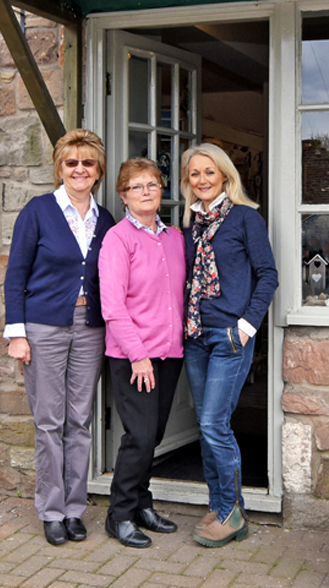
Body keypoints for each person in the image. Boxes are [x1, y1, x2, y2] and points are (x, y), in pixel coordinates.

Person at [4, 129, 116, 546]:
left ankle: (74, 508)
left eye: (88, 163)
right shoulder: (37, 212)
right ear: (60, 168)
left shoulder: (105, 219)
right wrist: (17, 333)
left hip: (90, 328)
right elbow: (15, 275)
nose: (80, 170)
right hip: (44, 327)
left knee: (80, 421)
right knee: (49, 421)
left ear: (98, 169)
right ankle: (51, 511)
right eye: (72, 163)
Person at [180, 143, 278, 548]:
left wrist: (246, 326)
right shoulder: (192, 224)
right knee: (206, 427)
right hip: (196, 336)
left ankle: (232, 513)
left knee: (213, 425)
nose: (202, 180)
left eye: (209, 172)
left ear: (225, 175)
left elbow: (267, 275)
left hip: (228, 338)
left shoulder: (244, 218)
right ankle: (220, 504)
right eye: (194, 174)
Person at [99, 158, 186, 548]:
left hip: (169, 353)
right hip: (134, 356)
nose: (146, 191)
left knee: (155, 436)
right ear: (123, 195)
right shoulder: (118, 239)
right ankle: (118, 515)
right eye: (137, 187)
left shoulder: (174, 238)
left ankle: (141, 504)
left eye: (152, 184)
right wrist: (137, 354)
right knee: (140, 436)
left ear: (161, 191)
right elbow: (113, 306)